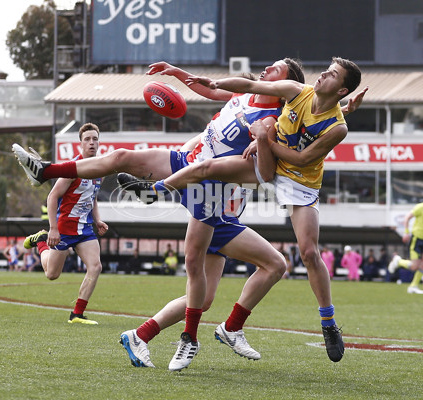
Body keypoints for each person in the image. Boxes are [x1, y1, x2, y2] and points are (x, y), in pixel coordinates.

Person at [129, 57, 364, 364]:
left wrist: (264, 139)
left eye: (331, 74)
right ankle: (154, 191)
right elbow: (250, 85)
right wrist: (216, 83)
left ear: (342, 88)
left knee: (308, 253)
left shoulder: (337, 128)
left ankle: (328, 323)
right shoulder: (296, 90)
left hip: (299, 181)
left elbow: (303, 158)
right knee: (208, 168)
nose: (322, 74)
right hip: (265, 168)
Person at [22, 123, 108, 325]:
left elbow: (92, 197)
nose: (92, 143)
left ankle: (77, 314)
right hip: (65, 229)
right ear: (81, 144)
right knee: (52, 274)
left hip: (85, 230)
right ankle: (42, 241)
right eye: (87, 139)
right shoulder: (72, 169)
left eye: (95, 139)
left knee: (95, 267)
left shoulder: (100, 170)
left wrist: (98, 220)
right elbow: (52, 196)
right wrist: (52, 229)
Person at [388, 187, 423, 294]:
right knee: (414, 266)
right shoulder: (420, 207)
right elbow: (407, 218)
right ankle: (398, 261)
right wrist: (406, 232)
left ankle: (413, 286)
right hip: (416, 239)